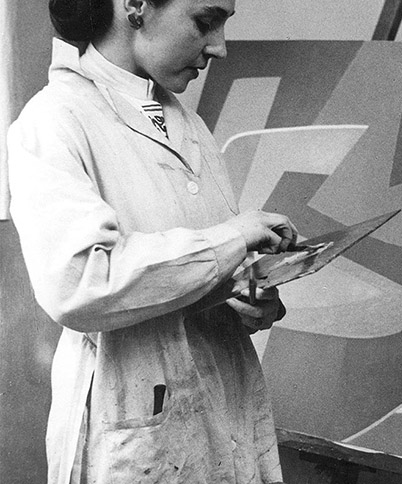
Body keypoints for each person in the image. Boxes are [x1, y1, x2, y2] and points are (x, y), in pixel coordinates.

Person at [7, 0, 297, 482]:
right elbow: (78, 285)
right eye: (205, 22)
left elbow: (187, 268)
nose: (220, 47)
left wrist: (242, 293)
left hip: (221, 410)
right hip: (132, 432)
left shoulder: (186, 124)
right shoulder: (54, 120)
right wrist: (229, 240)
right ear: (136, 5)